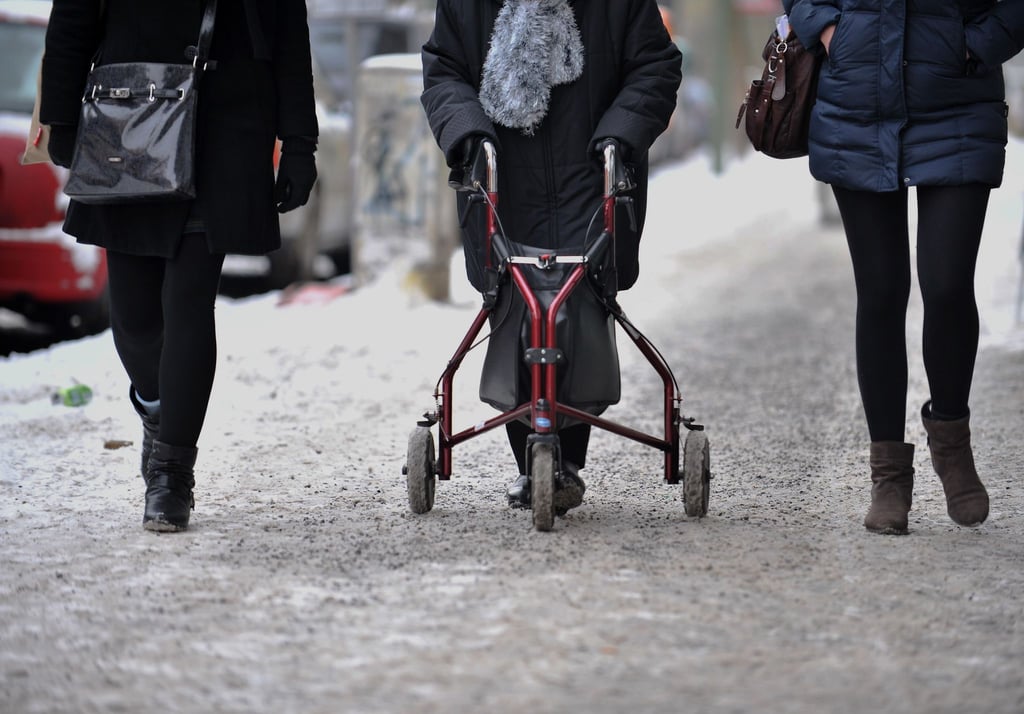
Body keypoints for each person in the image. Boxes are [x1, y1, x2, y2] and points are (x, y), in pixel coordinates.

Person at [39, 0, 318, 532]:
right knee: (135, 319)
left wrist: (300, 141)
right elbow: (74, 11)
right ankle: (157, 406)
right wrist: (61, 116)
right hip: (131, 114)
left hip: (228, 124)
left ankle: (171, 473)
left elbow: (287, 24)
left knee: (188, 302)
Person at [420, 0, 682, 513]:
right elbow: (443, 70)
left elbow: (656, 65)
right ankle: (534, 461)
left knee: (577, 306)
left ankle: (563, 461)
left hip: (591, 172)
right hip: (501, 179)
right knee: (515, 307)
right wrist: (467, 130)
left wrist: (620, 133)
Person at [783, 0, 1024, 534]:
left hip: (957, 99)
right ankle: (888, 474)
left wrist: (978, 43)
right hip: (858, 100)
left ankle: (951, 439)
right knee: (883, 291)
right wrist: (826, 30)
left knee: (947, 284)